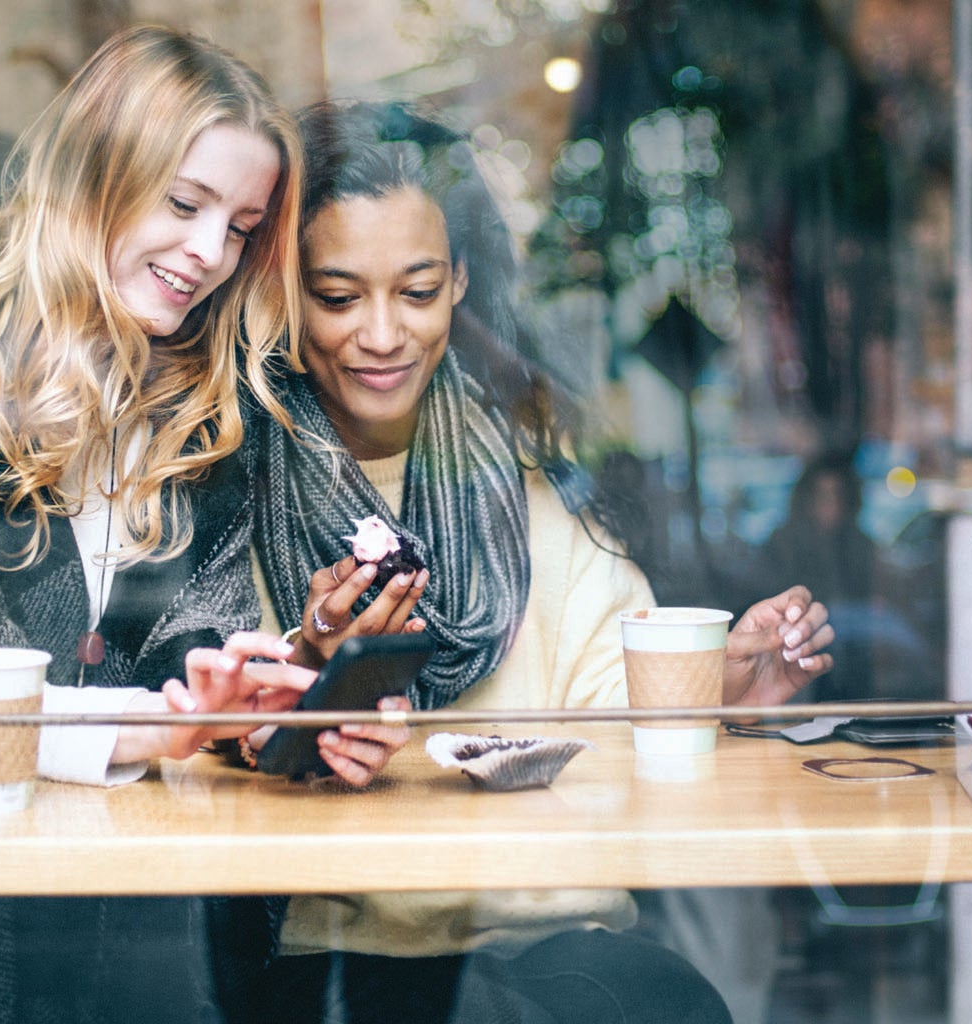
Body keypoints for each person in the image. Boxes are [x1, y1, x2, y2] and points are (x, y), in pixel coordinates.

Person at [0, 26, 404, 1023]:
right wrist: (154, 724)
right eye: (183, 203)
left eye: (240, 226)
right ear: (93, 173)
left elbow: (196, 658)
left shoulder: (208, 391)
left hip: (146, 933)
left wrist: (287, 703)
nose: (209, 253)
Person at [238, 100, 836, 1024]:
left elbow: (608, 731)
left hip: (553, 956)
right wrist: (313, 678)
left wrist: (717, 699)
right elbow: (202, 743)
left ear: (463, 281)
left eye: (419, 289)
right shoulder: (231, 492)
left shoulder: (542, 497)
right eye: (339, 295)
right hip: (336, 964)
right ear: (284, 291)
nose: (384, 334)